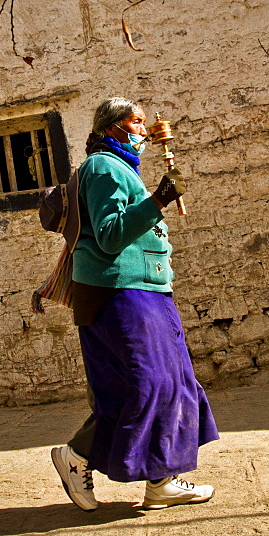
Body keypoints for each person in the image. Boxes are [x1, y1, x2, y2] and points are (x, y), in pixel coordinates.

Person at [50, 97, 219, 511]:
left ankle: (161, 480)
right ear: (112, 128)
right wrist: (158, 199)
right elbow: (109, 235)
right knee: (146, 383)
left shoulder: (123, 168)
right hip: (118, 291)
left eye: (144, 123)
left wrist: (155, 198)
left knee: (173, 380)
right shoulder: (102, 167)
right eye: (136, 122)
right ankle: (76, 455)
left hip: (149, 289)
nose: (143, 130)